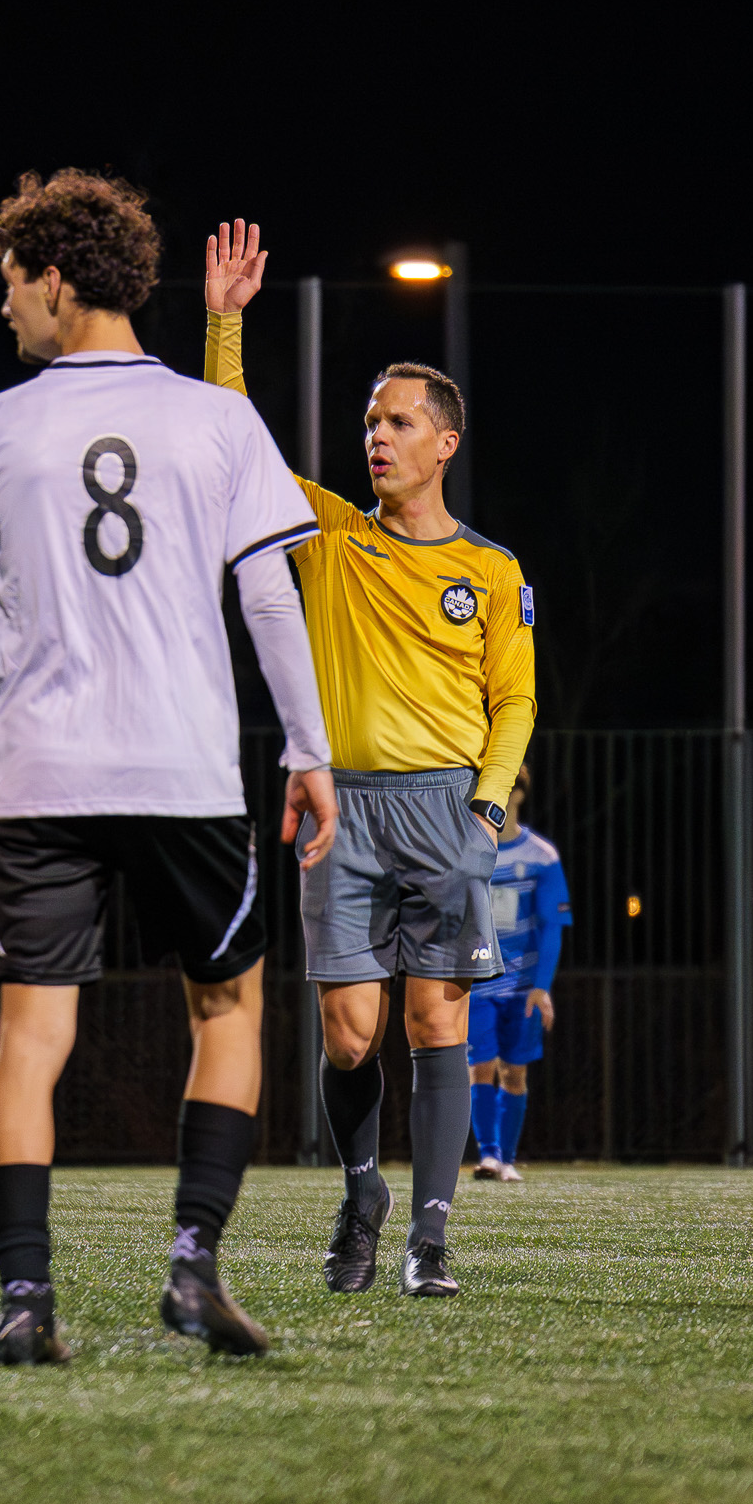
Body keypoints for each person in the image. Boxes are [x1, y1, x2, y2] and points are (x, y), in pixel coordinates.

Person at [0, 171, 338, 1365]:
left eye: (10, 287)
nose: (5, 311)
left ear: (55, 281)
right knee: (229, 1007)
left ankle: (26, 1299)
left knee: (32, 1036)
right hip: (184, 771)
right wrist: (307, 749)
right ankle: (194, 1270)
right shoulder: (216, 419)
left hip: (43, 775)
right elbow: (267, 592)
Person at [203, 220, 536, 1297]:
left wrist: (487, 810)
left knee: (438, 1016)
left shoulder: (490, 568)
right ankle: (363, 1193)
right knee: (351, 1036)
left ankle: (431, 1241)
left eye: (397, 422)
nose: (375, 437)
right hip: (342, 810)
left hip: (445, 809)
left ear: (446, 442)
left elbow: (515, 698)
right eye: (368, 422)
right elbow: (234, 443)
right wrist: (225, 323)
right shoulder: (333, 535)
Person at [467, 763, 571, 1182]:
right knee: (481, 1064)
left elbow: (552, 928)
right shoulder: (470, 852)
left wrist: (541, 988)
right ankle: (489, 1155)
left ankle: (507, 1158)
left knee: (515, 1071)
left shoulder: (541, 857)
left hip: (522, 984)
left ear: (519, 794)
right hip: (478, 982)